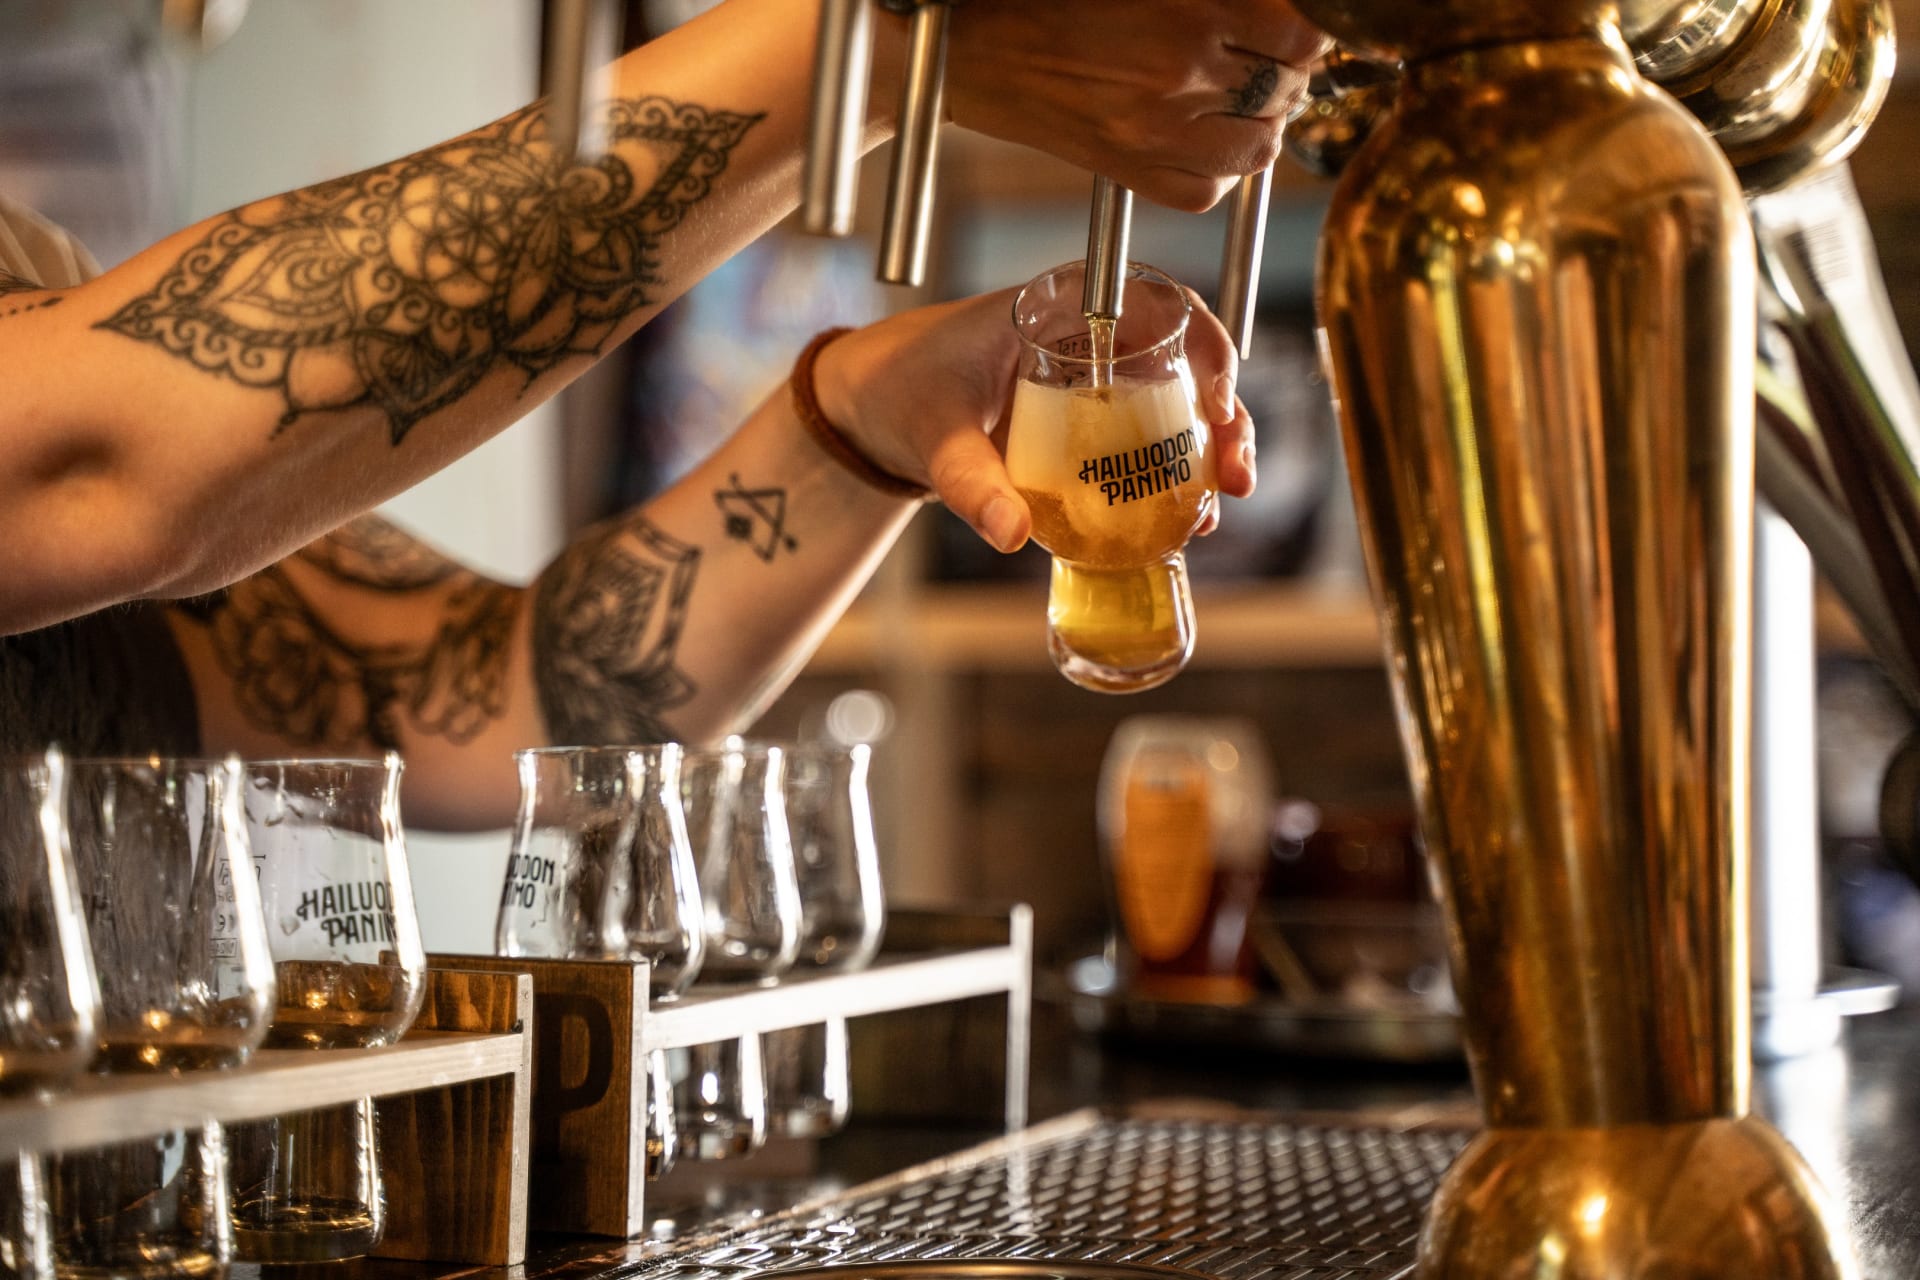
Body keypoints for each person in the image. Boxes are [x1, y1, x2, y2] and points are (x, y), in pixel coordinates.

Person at [0, 0, 1327, 824]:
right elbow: (94, 468)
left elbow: (519, 697)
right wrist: (880, 45)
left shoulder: (30, 268)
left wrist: (857, 423)